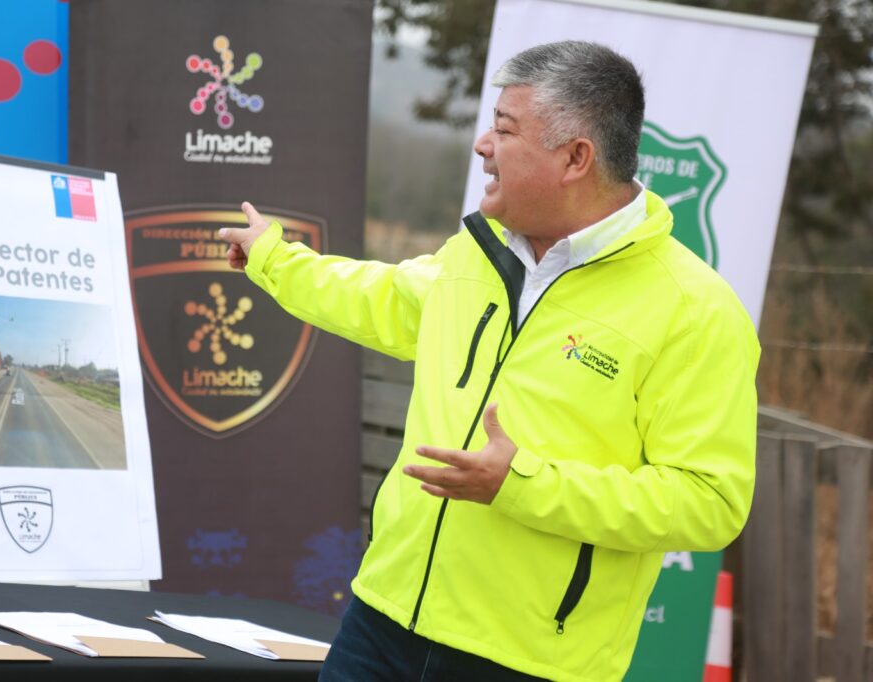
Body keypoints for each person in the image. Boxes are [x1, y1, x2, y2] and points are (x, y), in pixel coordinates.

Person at [218, 40, 759, 682]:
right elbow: (382, 298)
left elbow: (710, 502)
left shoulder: (695, 311)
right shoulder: (478, 252)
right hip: (382, 618)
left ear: (576, 158)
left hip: (530, 662)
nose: (482, 146)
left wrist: (522, 484)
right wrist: (274, 259)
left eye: (504, 129)